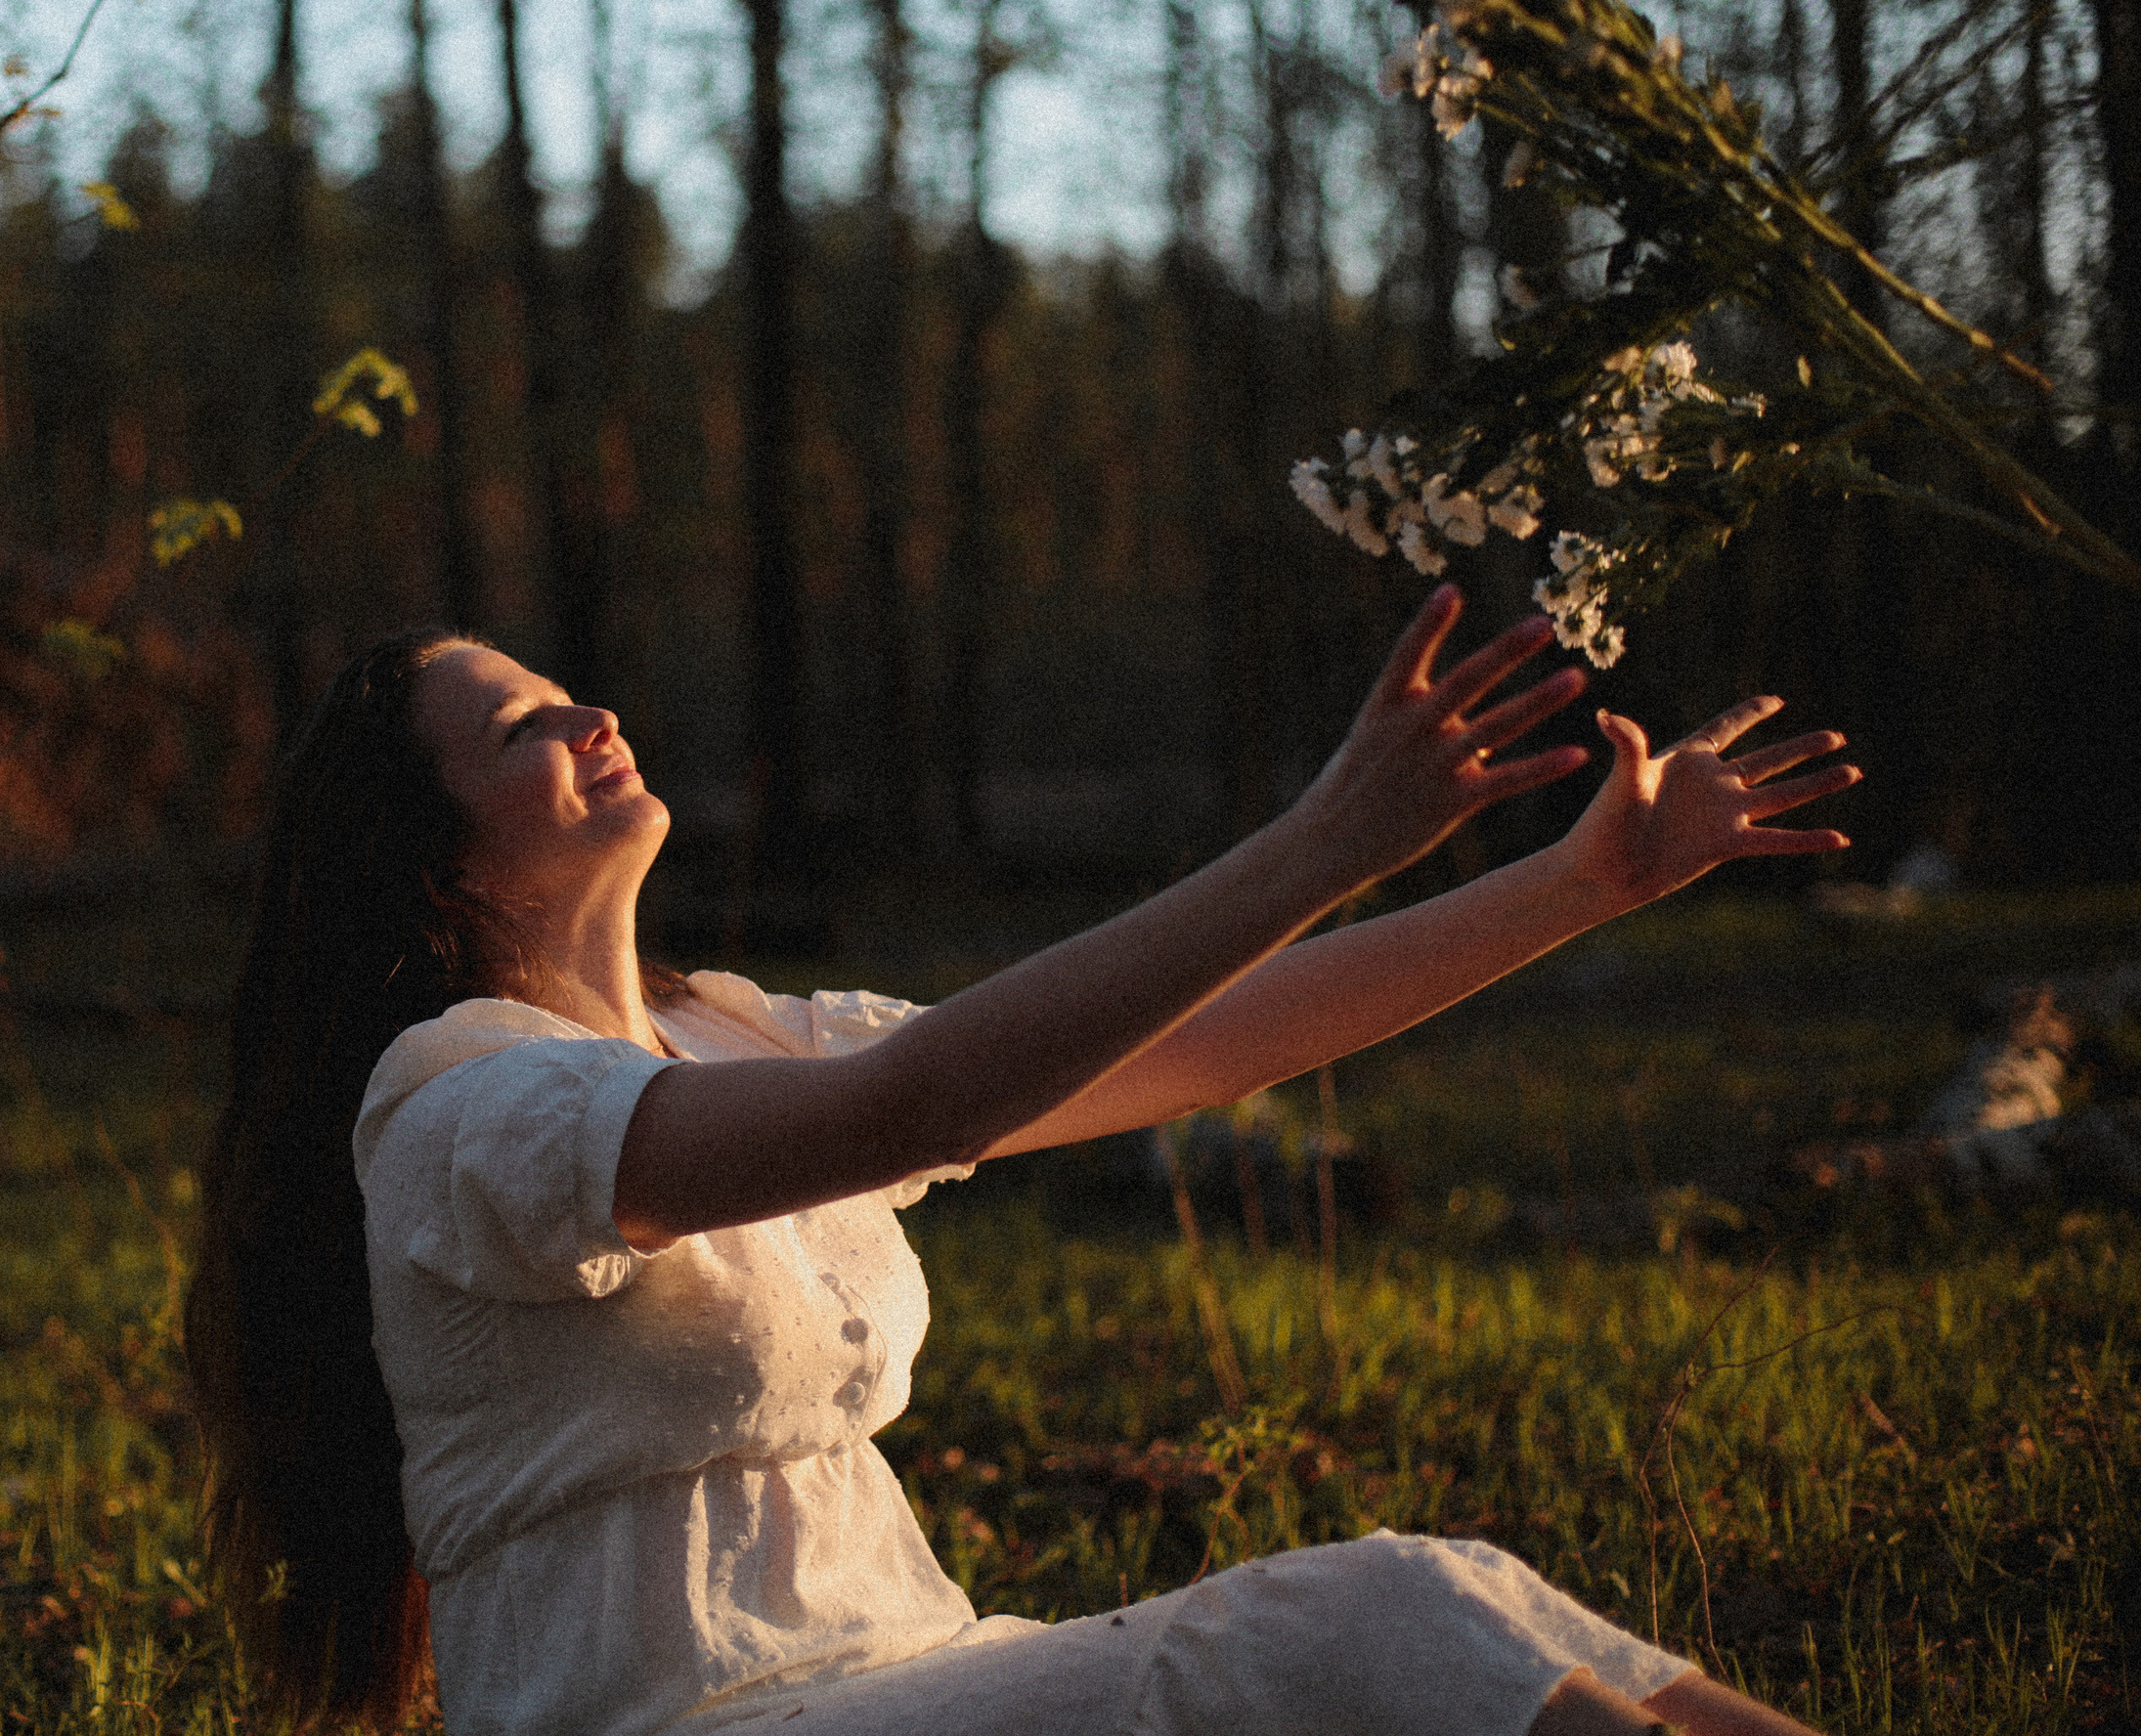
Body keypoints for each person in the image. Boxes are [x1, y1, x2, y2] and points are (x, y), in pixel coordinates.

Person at [186, 586, 1858, 1736]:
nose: (592, 715)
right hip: (696, 1721)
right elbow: (924, 1107)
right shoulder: (459, 1104)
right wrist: (1323, 841)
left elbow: (1202, 1041)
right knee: (1373, 1622)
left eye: (563, 691)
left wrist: (1575, 885)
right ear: (434, 861)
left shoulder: (733, 1036)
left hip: (918, 1674)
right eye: (522, 730)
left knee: (1468, 1598)